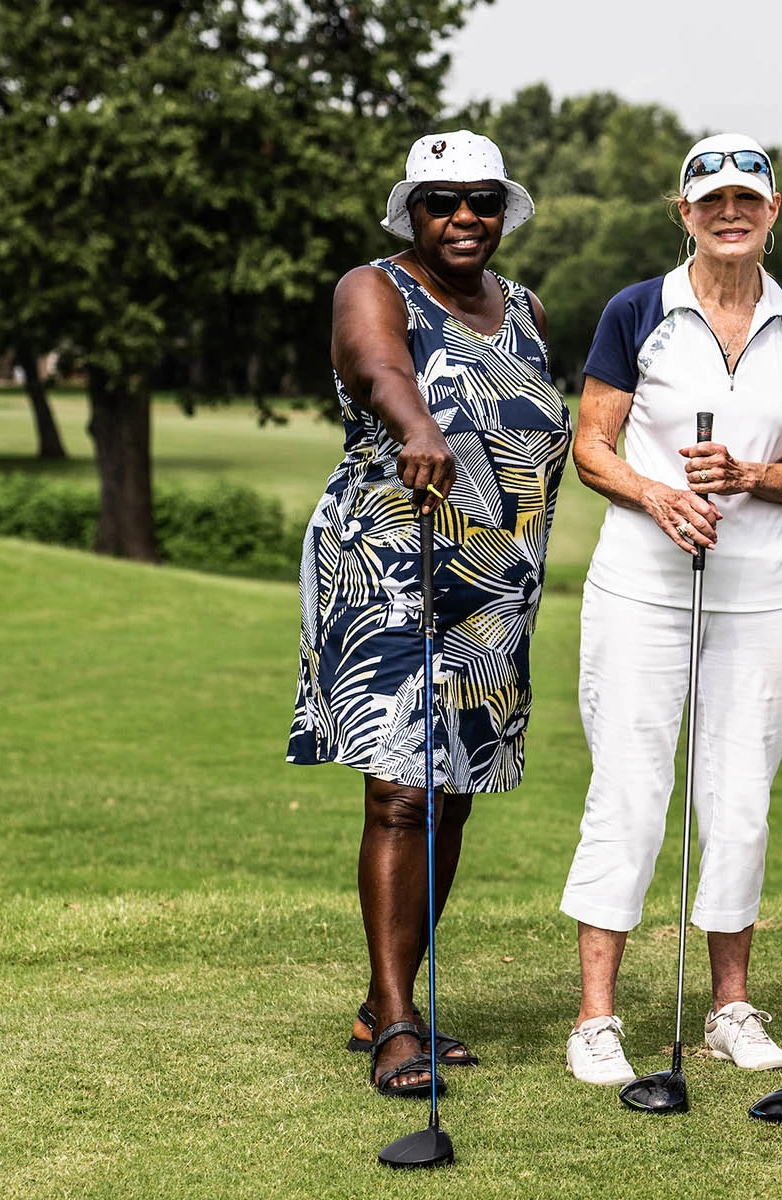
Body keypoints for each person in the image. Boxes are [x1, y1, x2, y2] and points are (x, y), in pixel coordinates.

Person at [288, 131, 570, 1098]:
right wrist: (416, 427)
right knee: (401, 790)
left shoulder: (527, 309)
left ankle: (385, 994)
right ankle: (399, 1024)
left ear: (503, 212)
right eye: (443, 202)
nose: (464, 219)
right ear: (413, 210)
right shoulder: (373, 286)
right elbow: (379, 370)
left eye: (482, 202)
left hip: (495, 584)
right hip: (390, 562)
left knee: (451, 793)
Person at [558, 133, 782, 1085]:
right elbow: (591, 446)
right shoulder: (638, 310)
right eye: (711, 199)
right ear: (683, 214)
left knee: (741, 796)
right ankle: (597, 1018)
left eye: (748, 200)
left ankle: (729, 1007)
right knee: (631, 790)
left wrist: (751, 475)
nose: (731, 212)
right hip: (640, 583)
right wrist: (659, 493)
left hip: (759, 590)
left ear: (773, 214)